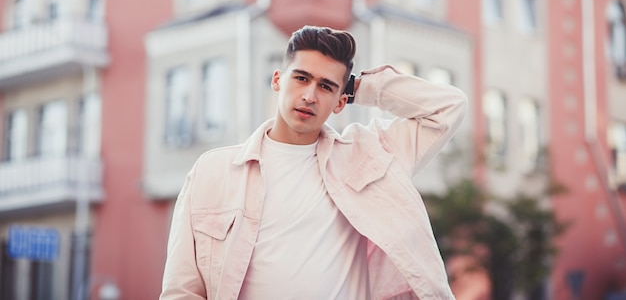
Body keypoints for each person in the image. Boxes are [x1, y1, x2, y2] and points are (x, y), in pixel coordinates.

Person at [160, 25, 468, 300]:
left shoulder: (370, 155)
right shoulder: (213, 172)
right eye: (301, 78)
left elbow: (449, 107)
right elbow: (182, 290)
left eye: (326, 86)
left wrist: (360, 87)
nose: (309, 95)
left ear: (341, 102)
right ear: (278, 80)